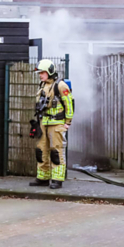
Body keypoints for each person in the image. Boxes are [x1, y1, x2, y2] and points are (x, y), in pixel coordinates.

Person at [29, 59, 74, 189]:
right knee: (41, 149)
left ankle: (57, 179)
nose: (40, 75)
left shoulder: (60, 85)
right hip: (44, 121)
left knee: (56, 151)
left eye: (42, 73)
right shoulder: (43, 85)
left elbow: (69, 104)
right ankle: (43, 177)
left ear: (49, 72)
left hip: (57, 123)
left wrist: (67, 122)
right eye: (39, 73)